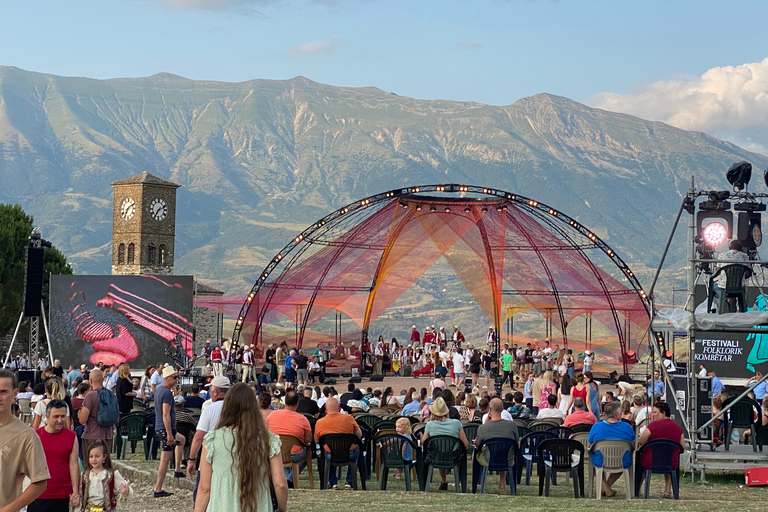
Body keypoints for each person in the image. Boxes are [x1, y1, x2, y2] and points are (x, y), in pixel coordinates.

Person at [0, 369, 50, 512]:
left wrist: (9, 509)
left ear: (15, 394)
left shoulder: (26, 436)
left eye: (3, 392)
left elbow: (40, 481)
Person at [29, 400, 80, 512]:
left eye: (63, 416)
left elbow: (74, 464)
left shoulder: (72, 437)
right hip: (38, 494)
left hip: (63, 494)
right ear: (47, 417)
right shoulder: (35, 436)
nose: (60, 420)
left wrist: (76, 490)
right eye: (56, 416)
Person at [187, 376, 230, 485]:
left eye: (211, 391)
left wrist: (191, 458)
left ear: (215, 392)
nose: (210, 393)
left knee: (203, 487)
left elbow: (199, 436)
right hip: (231, 455)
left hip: (211, 454)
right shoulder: (238, 408)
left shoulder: (209, 409)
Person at [636, 401, 684, 499]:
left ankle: (638, 489)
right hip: (671, 462)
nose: (652, 415)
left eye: (655, 412)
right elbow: (682, 446)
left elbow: (641, 441)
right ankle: (667, 490)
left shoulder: (653, 426)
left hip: (651, 461)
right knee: (668, 457)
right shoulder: (678, 427)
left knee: (639, 457)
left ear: (663, 413)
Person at [587, 401, 635, 497]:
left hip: (600, 460)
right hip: (621, 460)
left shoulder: (596, 427)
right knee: (625, 458)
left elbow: (589, 445)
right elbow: (632, 444)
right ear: (617, 414)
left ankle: (605, 487)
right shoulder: (627, 427)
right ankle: (607, 487)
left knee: (594, 456)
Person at [314, 397, 363, 489]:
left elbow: (316, 440)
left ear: (326, 408)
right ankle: (349, 481)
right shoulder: (349, 418)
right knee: (357, 451)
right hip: (349, 453)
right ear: (339, 407)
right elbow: (359, 434)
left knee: (327, 450)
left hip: (330, 454)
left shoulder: (320, 422)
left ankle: (333, 483)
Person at [422, 397, 469, 490]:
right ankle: (460, 482)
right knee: (447, 450)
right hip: (454, 457)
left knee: (439, 449)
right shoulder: (456, 423)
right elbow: (466, 444)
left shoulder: (430, 425)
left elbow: (424, 442)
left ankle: (443, 481)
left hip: (436, 456)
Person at [267, 390, 312, 487]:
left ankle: (287, 478)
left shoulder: (272, 415)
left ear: (285, 402)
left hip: (276, 451)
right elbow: (308, 440)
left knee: (283, 454)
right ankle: (289, 479)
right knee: (307, 453)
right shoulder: (302, 419)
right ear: (297, 404)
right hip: (294, 454)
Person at [153, 365, 187, 498]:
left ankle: (178, 469)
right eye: (174, 377)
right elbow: (165, 414)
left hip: (162, 426)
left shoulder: (159, 390)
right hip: (166, 428)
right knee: (165, 460)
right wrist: (169, 434)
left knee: (182, 440)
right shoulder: (166, 393)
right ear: (167, 378)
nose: (177, 379)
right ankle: (158, 488)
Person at [474, 398, 518, 493]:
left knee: (477, 454)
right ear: (502, 410)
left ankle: (476, 484)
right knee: (504, 451)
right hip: (507, 459)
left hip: (488, 459)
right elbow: (517, 443)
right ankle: (502, 483)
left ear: (489, 409)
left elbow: (477, 444)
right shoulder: (512, 425)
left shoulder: (483, 428)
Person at [80, 441, 132, 511]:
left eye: (97, 456)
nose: (94, 459)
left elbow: (124, 493)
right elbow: (79, 494)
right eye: (91, 456)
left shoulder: (112, 475)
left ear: (104, 456)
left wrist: (126, 492)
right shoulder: (84, 475)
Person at [78, 369, 114, 459]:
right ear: (102, 379)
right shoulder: (111, 394)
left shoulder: (90, 396)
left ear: (90, 381)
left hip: (92, 435)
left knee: (91, 466)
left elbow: (82, 420)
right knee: (105, 465)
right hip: (108, 435)